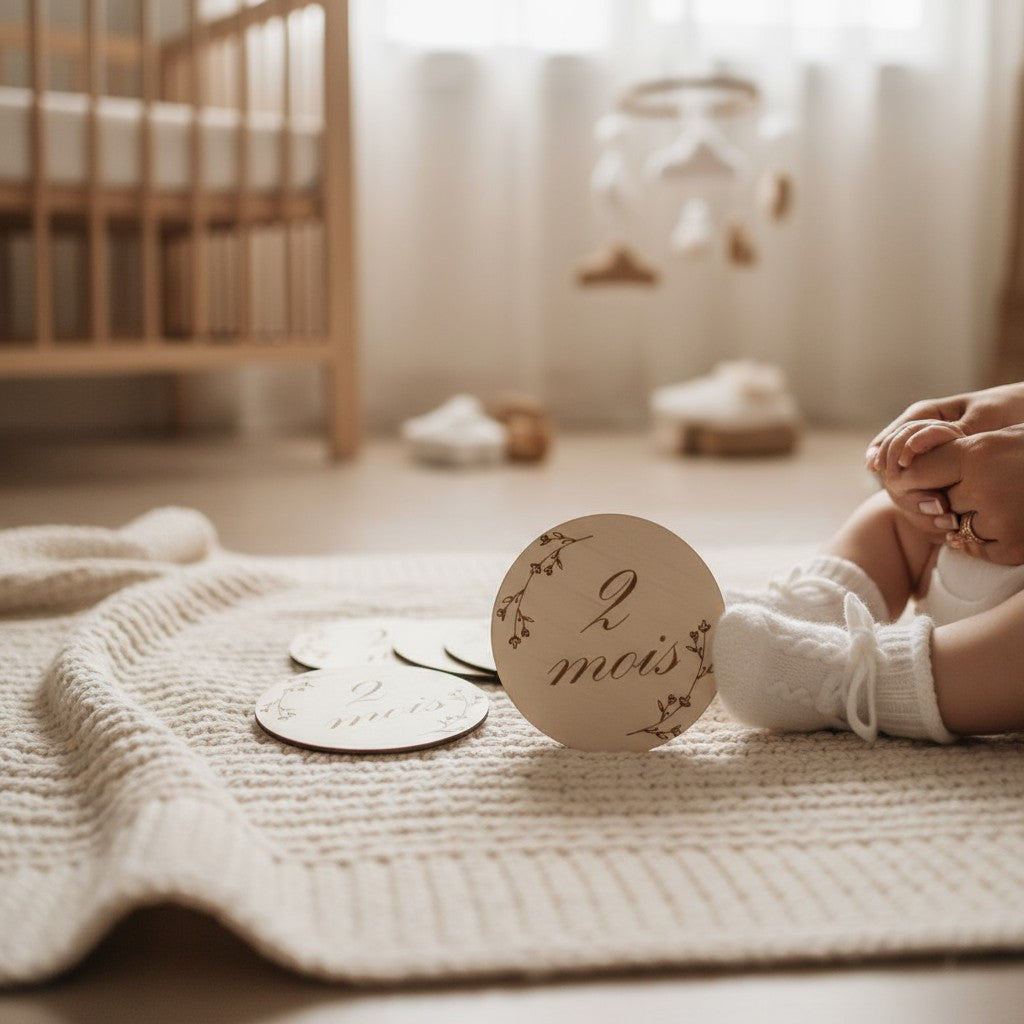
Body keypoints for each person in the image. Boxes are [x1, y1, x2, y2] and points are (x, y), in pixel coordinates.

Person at [714, 382, 1024, 743]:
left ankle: (856, 677)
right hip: (966, 540)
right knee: (898, 516)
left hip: (992, 662)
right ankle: (813, 605)